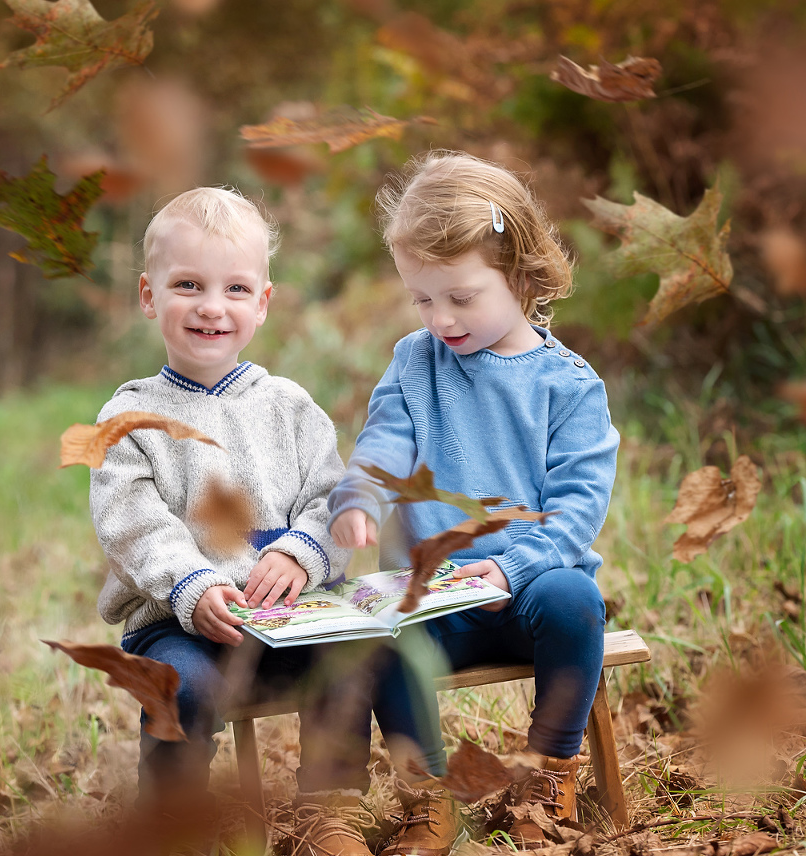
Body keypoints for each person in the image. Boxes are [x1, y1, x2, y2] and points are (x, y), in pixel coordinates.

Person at [90, 186, 416, 854]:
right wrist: (190, 586)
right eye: (188, 285)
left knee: (350, 660)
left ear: (262, 303)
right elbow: (131, 523)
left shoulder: (290, 407)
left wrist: (302, 552)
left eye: (236, 288)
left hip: (289, 619)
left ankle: (329, 812)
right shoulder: (128, 418)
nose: (213, 307)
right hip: (178, 626)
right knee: (182, 692)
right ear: (150, 298)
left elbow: (332, 497)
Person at [329, 151, 620, 852]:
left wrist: (514, 568)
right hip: (433, 602)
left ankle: (549, 774)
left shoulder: (569, 386)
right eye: (423, 299)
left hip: (526, 596)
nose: (441, 318)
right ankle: (428, 798)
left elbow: (577, 504)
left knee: (574, 603)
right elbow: (383, 442)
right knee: (379, 629)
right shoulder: (414, 362)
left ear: (520, 276)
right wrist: (358, 494)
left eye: (461, 297)